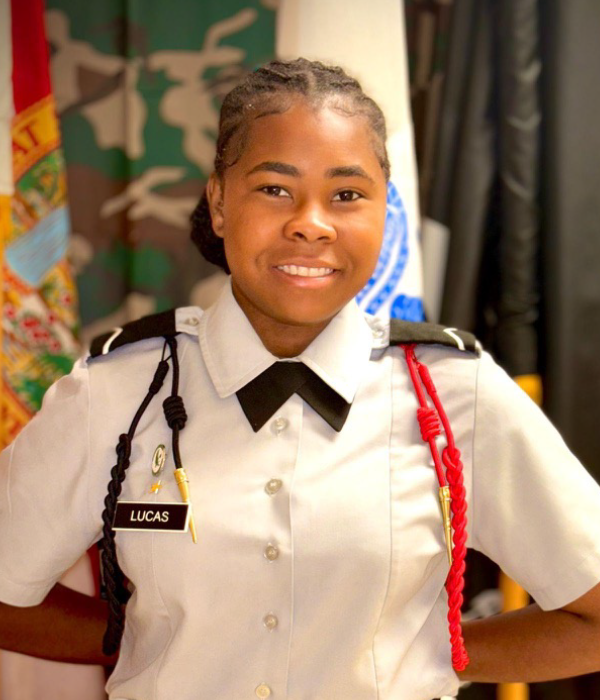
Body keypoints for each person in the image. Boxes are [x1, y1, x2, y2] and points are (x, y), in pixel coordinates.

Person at [1, 58, 600, 700]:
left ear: (385, 211)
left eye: (347, 195)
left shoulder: (454, 394)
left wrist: (426, 656)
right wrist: (149, 642)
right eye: (275, 188)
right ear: (219, 202)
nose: (311, 222)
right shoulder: (119, 391)